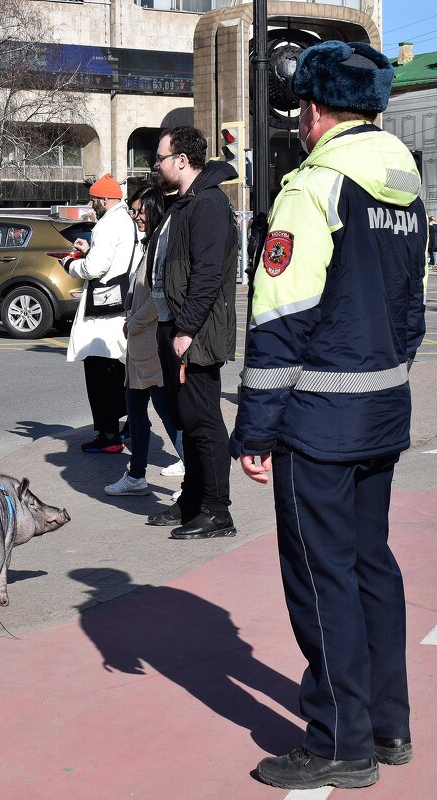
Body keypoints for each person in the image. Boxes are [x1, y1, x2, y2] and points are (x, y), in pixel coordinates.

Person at [232, 40, 425, 791]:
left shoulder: (311, 186)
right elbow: (412, 312)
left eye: (300, 113)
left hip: (318, 421)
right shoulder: (404, 184)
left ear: (313, 110)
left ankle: (340, 741)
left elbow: (281, 318)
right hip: (382, 410)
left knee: (321, 577)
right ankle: (388, 722)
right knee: (373, 563)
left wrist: (256, 428)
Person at [146, 125, 238, 540]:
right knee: (188, 419)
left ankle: (217, 512)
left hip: (194, 331)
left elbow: (207, 276)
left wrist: (185, 329)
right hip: (177, 327)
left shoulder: (207, 205)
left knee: (204, 422)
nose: (156, 166)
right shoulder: (183, 203)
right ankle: (192, 499)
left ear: (182, 160)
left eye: (161, 158)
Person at [104, 186, 185, 496]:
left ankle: (194, 473)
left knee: (167, 412)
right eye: (133, 211)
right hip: (139, 347)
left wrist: (133, 323)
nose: (136, 216)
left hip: (151, 344)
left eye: (140, 210)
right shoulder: (148, 246)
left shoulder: (159, 248)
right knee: (136, 411)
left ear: (154, 211)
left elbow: (158, 297)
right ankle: (136, 474)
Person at [64, 173, 134, 454]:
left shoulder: (105, 225)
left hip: (102, 311)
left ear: (105, 199)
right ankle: (121, 426)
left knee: (99, 375)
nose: (92, 206)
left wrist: (70, 264)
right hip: (119, 304)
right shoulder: (126, 220)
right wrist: (90, 250)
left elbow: (94, 269)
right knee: (117, 371)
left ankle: (108, 436)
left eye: (94, 201)